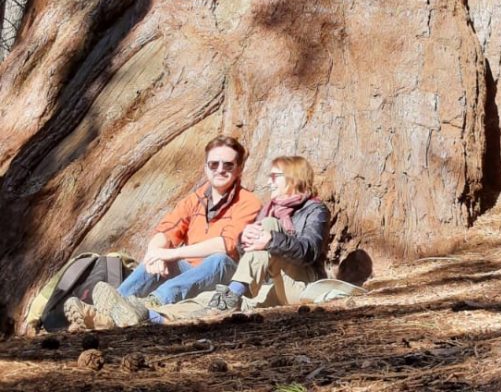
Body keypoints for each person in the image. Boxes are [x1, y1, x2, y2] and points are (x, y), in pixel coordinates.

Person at [65, 135, 261, 329]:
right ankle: (108, 309)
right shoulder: (195, 199)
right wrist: (155, 253)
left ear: (239, 168)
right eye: (213, 164)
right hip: (190, 273)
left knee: (218, 259)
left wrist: (169, 253)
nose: (220, 170)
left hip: (225, 275)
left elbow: (225, 245)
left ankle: (149, 304)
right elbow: (166, 231)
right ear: (205, 167)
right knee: (156, 257)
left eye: (228, 165)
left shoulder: (249, 202)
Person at [207, 154, 329, 311]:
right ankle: (167, 315)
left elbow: (308, 251)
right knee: (210, 301)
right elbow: (254, 258)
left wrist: (271, 240)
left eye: (274, 176)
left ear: (293, 178)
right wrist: (243, 240)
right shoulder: (269, 209)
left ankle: (234, 291)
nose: (268, 182)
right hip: (272, 287)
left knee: (269, 225)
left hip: (302, 287)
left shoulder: (315, 210)